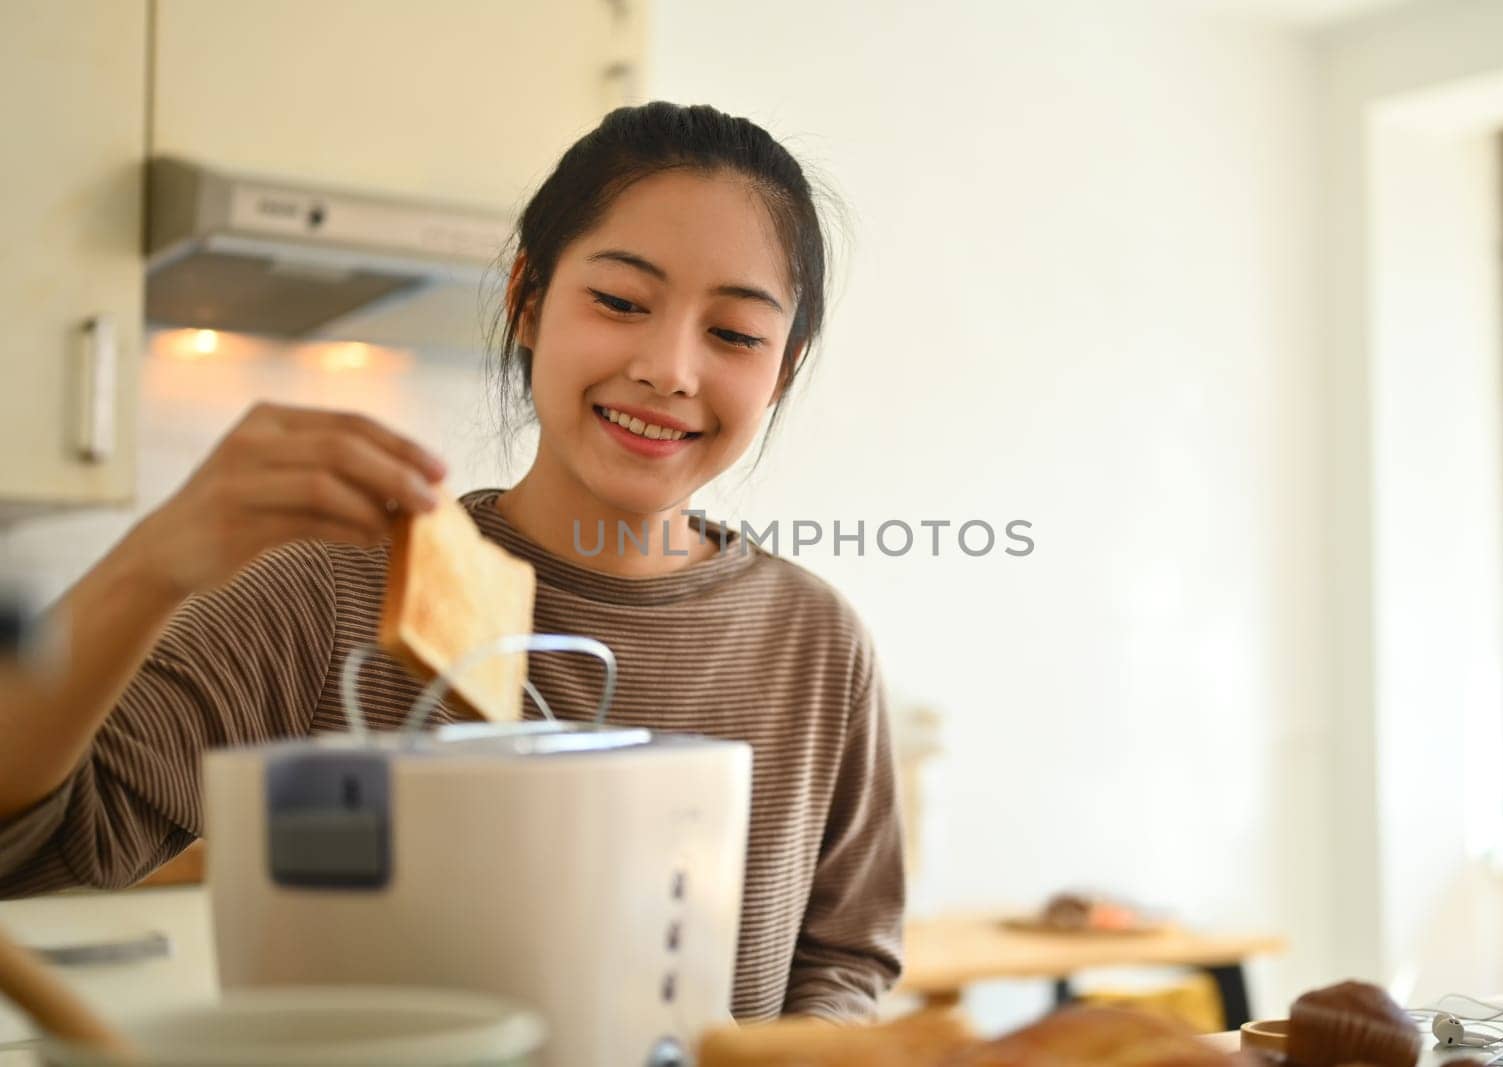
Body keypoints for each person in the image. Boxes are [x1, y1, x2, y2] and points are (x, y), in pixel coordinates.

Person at [0, 102, 904, 1023]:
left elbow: (842, 957)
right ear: (527, 299)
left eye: (736, 335)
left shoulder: (816, 642)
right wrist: (154, 562)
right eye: (621, 302)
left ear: (782, 371)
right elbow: (27, 846)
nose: (670, 368)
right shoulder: (332, 592)